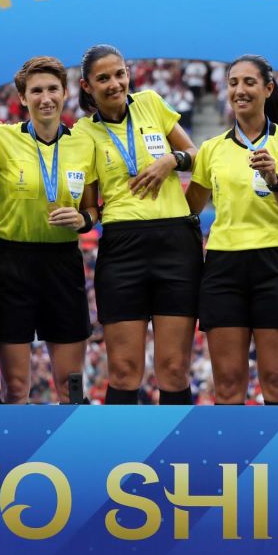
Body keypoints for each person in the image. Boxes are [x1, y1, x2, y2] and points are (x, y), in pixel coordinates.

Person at [74, 44, 201, 405]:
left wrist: (170, 161)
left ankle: (176, 458)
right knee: (125, 370)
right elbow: (90, 207)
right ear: (87, 87)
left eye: (120, 74)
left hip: (176, 243)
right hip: (122, 247)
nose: (115, 83)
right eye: (103, 78)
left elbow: (196, 155)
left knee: (174, 368)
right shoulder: (82, 133)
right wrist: (80, 219)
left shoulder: (151, 102)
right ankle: (123, 457)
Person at [185, 55, 278, 405]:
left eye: (249, 82)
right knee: (227, 385)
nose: (239, 90)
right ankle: (232, 461)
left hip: (274, 266)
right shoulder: (211, 149)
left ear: (267, 89)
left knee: (276, 382)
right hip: (223, 268)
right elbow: (188, 210)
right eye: (233, 83)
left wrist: (276, 182)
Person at [0, 56, 99, 403]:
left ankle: (76, 453)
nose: (45, 97)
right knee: (16, 387)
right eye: (36, 90)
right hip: (11, 262)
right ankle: (11, 454)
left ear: (65, 92)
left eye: (53, 89)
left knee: (71, 386)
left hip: (62, 262)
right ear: (22, 98)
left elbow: (93, 208)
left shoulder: (84, 142)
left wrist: (83, 221)